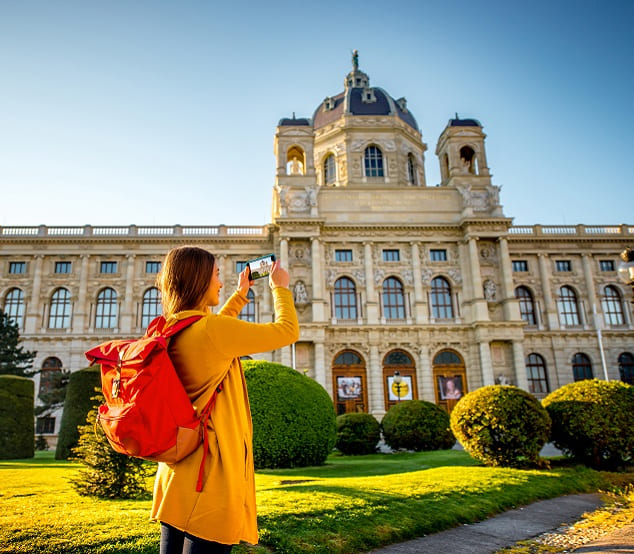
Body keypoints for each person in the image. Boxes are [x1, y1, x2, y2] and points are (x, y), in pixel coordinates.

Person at [151, 246, 299, 554]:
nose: (220, 283)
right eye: (217, 275)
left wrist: (241, 295)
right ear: (200, 280)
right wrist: (280, 288)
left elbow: (214, 331)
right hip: (211, 480)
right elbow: (288, 330)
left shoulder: (173, 327)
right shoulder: (213, 330)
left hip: (177, 476)